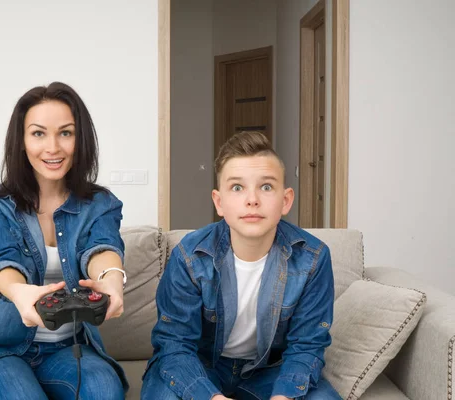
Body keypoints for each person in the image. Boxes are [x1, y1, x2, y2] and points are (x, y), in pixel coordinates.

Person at [0, 82, 127, 400]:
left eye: (66, 133)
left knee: (105, 392)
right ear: (21, 141)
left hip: (66, 350)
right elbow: (2, 258)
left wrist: (111, 280)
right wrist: (19, 292)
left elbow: (102, 247)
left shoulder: (101, 203)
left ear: (80, 139)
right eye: (39, 133)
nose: (53, 148)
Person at [141, 131, 341, 400]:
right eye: (237, 187)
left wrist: (285, 396)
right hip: (199, 366)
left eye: (266, 187)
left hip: (270, 370)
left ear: (286, 200)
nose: (252, 200)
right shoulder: (189, 256)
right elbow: (174, 344)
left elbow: (307, 345)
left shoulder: (313, 258)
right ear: (219, 202)